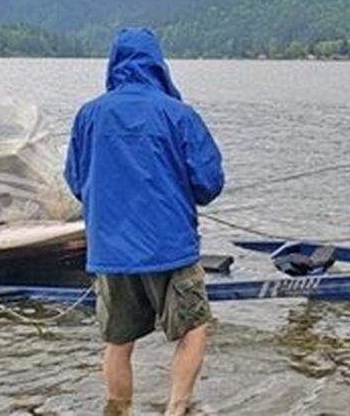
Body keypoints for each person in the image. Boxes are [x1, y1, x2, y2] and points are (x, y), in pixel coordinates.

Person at [64, 28, 225, 416]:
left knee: (118, 342)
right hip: (170, 248)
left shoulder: (90, 115)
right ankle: (176, 409)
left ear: (114, 64)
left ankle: (119, 409)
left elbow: (75, 180)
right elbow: (209, 183)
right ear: (159, 65)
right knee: (194, 329)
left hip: (110, 250)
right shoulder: (178, 114)